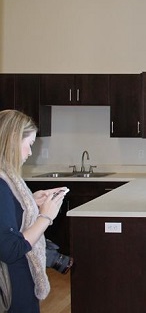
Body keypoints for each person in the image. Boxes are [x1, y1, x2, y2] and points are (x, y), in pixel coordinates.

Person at [0, 110, 67, 313]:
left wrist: (30, 201)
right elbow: (10, 249)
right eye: (29, 144)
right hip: (13, 287)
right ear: (12, 140)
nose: (30, 153)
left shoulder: (6, 178)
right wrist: (45, 216)